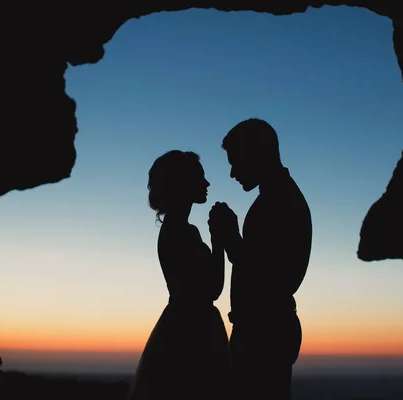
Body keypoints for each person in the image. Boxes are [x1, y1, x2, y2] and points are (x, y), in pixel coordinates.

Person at [208, 118, 312, 400]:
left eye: (235, 162)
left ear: (255, 154)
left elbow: (271, 278)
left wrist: (229, 237)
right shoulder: (276, 198)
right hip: (264, 330)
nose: (232, 173)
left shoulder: (280, 202)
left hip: (263, 336)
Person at [126, 150, 231, 400]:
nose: (206, 183)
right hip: (194, 332)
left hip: (182, 325)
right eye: (200, 177)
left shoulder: (177, 229)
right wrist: (219, 239)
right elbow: (213, 288)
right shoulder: (181, 233)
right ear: (182, 183)